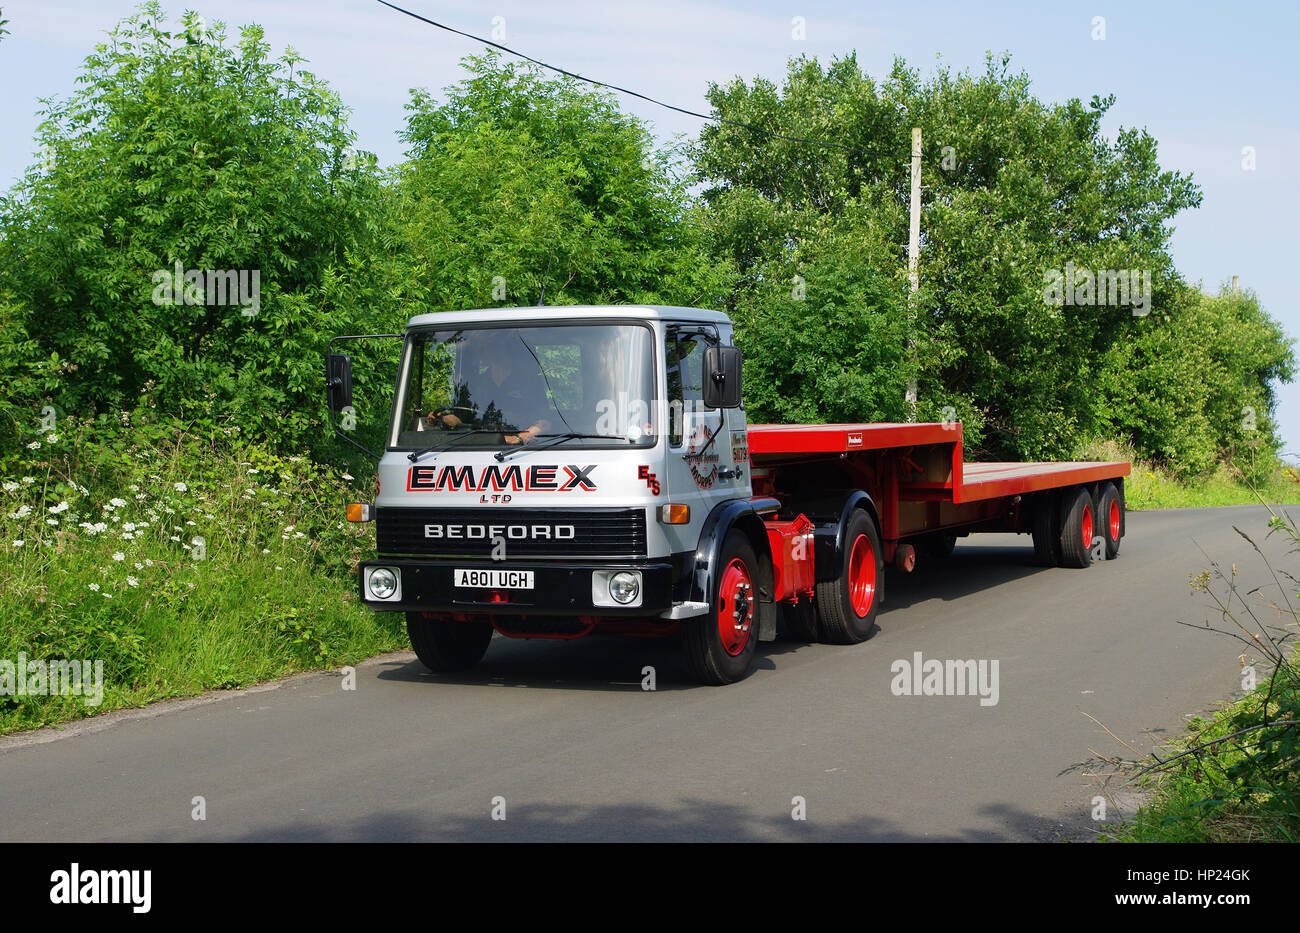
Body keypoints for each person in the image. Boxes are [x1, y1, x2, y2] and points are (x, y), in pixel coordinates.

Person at [430, 330, 552, 444]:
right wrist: (441, 419)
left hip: (519, 452)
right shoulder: (477, 383)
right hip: (480, 448)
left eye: (483, 347)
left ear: (500, 346)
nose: (479, 353)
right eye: (477, 348)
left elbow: (545, 423)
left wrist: (518, 438)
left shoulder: (528, 381)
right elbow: (462, 419)